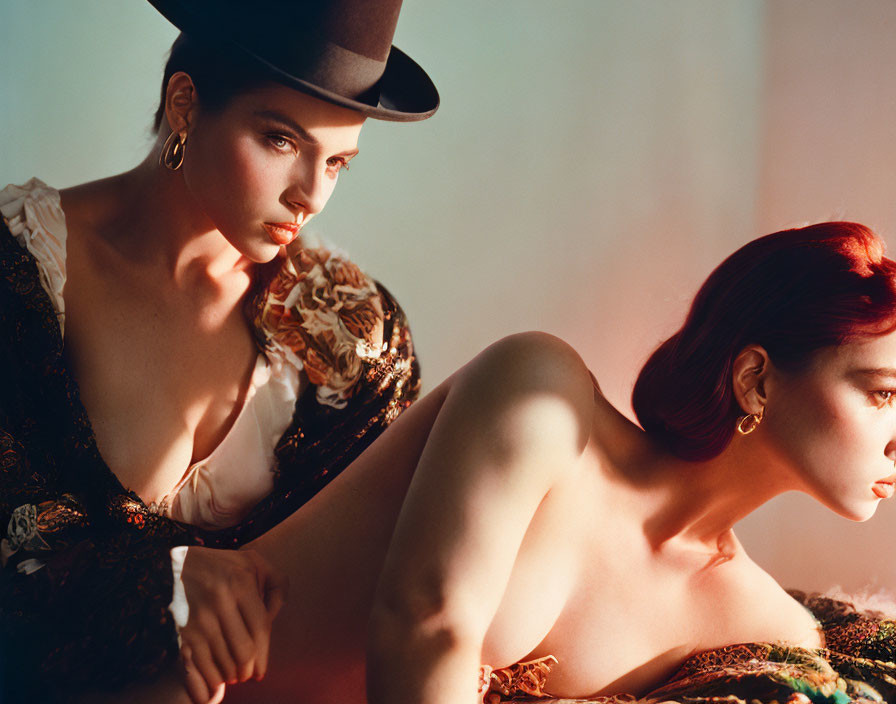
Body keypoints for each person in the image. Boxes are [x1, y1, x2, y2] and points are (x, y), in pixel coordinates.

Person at [207, 221, 894, 703]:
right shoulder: (543, 391)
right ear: (756, 380)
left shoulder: (770, 629)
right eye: (884, 393)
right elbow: (424, 623)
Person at [0, 0, 438, 701]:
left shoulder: (350, 332)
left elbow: (386, 561)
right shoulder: (19, 274)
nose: (311, 197)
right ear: (184, 104)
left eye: (339, 164)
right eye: (281, 141)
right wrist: (161, 581)